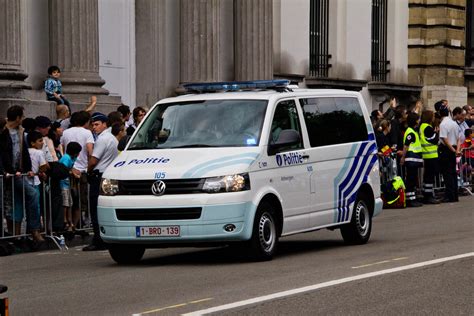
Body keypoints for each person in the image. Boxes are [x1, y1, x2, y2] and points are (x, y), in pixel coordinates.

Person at [0, 105, 44, 243]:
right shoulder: (3, 130)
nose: (23, 119)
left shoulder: (21, 131)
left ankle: (32, 229)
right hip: (9, 173)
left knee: (30, 196)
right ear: (18, 117)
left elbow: (23, 152)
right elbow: (3, 154)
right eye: (22, 116)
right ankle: (14, 234)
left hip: (18, 173)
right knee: (11, 204)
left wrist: (28, 169)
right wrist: (8, 171)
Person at [83, 113, 119, 251]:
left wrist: (88, 169)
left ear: (105, 124)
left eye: (97, 124)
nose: (94, 127)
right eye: (92, 125)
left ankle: (98, 239)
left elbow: (94, 159)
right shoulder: (112, 138)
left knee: (95, 208)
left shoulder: (102, 139)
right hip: (107, 175)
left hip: (99, 176)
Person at [60, 111, 94, 229]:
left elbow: (63, 149)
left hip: (68, 170)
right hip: (82, 170)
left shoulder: (65, 132)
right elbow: (90, 151)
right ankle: (75, 224)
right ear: (86, 121)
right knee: (80, 200)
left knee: (69, 201)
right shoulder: (87, 133)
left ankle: (69, 223)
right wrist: (90, 167)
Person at [27, 131, 50, 230]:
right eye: (40, 141)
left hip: (25, 181)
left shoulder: (26, 151)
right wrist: (40, 172)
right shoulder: (39, 152)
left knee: (28, 207)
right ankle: (36, 228)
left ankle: (29, 228)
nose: (42, 143)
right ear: (32, 143)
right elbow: (44, 166)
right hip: (35, 182)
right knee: (36, 207)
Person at [400, 112, 423, 207]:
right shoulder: (410, 132)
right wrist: (403, 157)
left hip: (414, 159)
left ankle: (413, 198)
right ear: (415, 120)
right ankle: (410, 199)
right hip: (411, 159)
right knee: (410, 179)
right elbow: (406, 146)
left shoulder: (414, 131)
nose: (419, 120)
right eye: (418, 119)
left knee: (413, 179)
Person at [438, 105, 461, 203]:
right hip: (454, 147)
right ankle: (455, 195)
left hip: (446, 149)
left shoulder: (443, 124)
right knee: (453, 173)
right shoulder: (454, 123)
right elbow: (459, 138)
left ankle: (449, 195)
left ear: (440, 113)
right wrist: (457, 150)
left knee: (447, 173)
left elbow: (444, 138)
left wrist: (452, 150)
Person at [59, 142, 82, 232]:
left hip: (68, 183)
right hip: (63, 183)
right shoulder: (66, 158)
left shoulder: (72, 158)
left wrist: (75, 172)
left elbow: (71, 168)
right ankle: (65, 219)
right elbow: (64, 169)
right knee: (65, 202)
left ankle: (69, 221)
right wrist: (74, 174)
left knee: (70, 202)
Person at [419, 110, 440, 204]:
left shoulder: (422, 126)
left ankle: (427, 194)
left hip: (426, 154)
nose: (433, 118)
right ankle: (428, 196)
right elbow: (434, 140)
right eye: (432, 116)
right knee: (430, 177)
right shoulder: (427, 127)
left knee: (428, 176)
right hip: (431, 155)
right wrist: (437, 133)